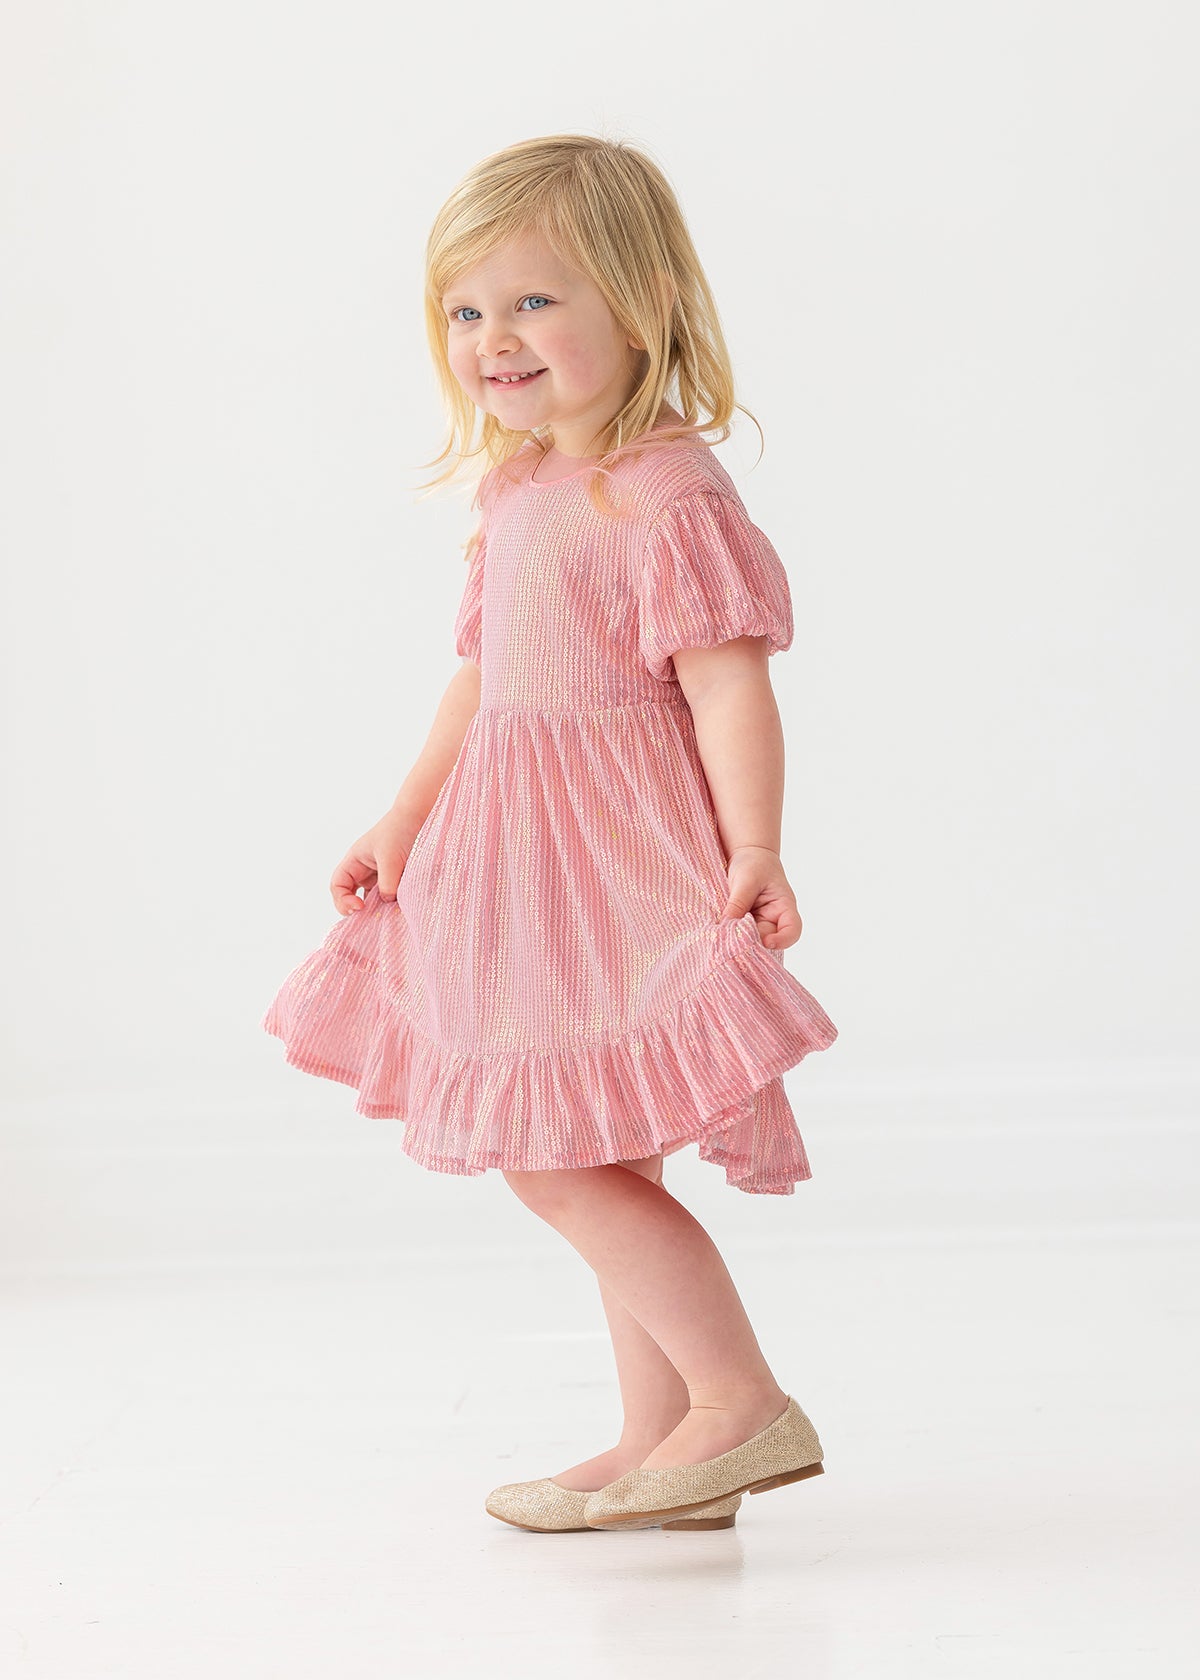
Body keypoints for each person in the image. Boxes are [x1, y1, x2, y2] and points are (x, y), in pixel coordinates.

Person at [262, 133, 839, 1536]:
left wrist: (754, 848)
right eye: (467, 311)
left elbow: (729, 681)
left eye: (533, 303)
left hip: (621, 861)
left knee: (556, 1151)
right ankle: (667, 1438)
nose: (492, 339)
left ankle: (739, 1398)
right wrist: (404, 816)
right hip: (516, 863)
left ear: (638, 306)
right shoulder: (520, 487)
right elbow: (483, 675)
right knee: (598, 1144)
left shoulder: (663, 492)